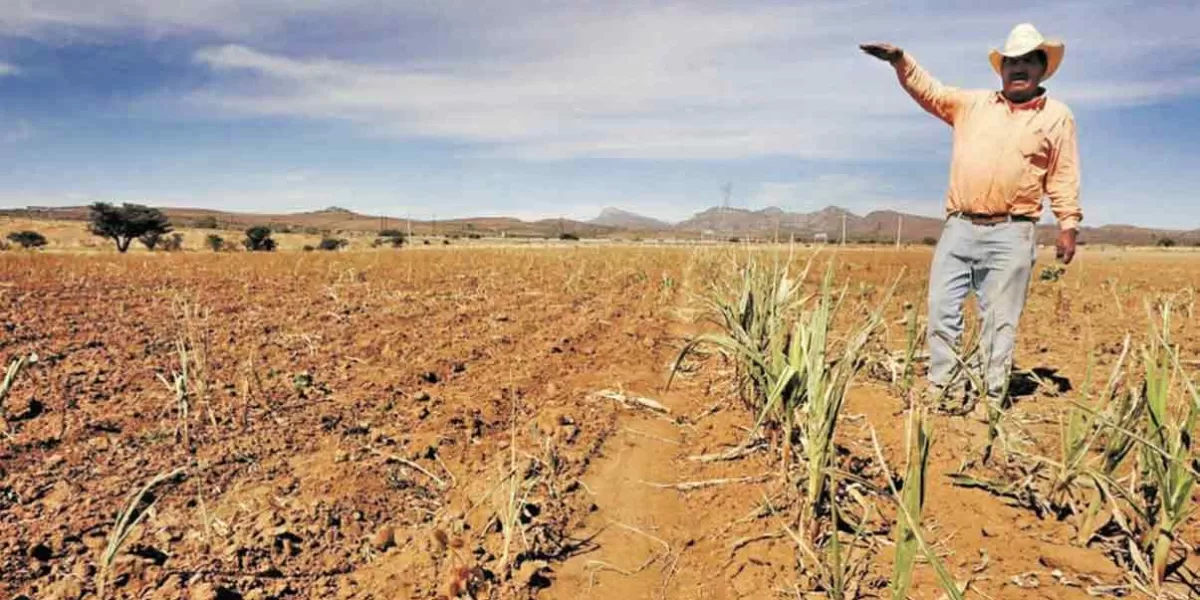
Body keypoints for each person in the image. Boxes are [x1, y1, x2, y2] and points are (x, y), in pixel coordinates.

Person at [860, 23, 1082, 411]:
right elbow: (931, 91)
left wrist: (1068, 224)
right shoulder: (972, 104)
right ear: (1001, 68)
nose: (1018, 68)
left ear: (1042, 69)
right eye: (1012, 61)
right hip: (959, 227)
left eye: (1028, 60)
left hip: (1013, 232)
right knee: (942, 310)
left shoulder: (1057, 117)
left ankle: (987, 398)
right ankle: (944, 391)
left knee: (999, 321)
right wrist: (900, 61)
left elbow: (1062, 173)